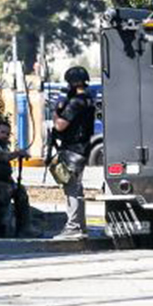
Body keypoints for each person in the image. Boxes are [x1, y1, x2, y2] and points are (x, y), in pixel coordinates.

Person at [50, 66, 97, 241]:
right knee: (75, 187)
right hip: (82, 148)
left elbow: (60, 125)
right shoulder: (87, 99)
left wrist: (55, 112)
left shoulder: (76, 102)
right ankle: (80, 226)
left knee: (72, 188)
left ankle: (74, 226)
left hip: (73, 150)